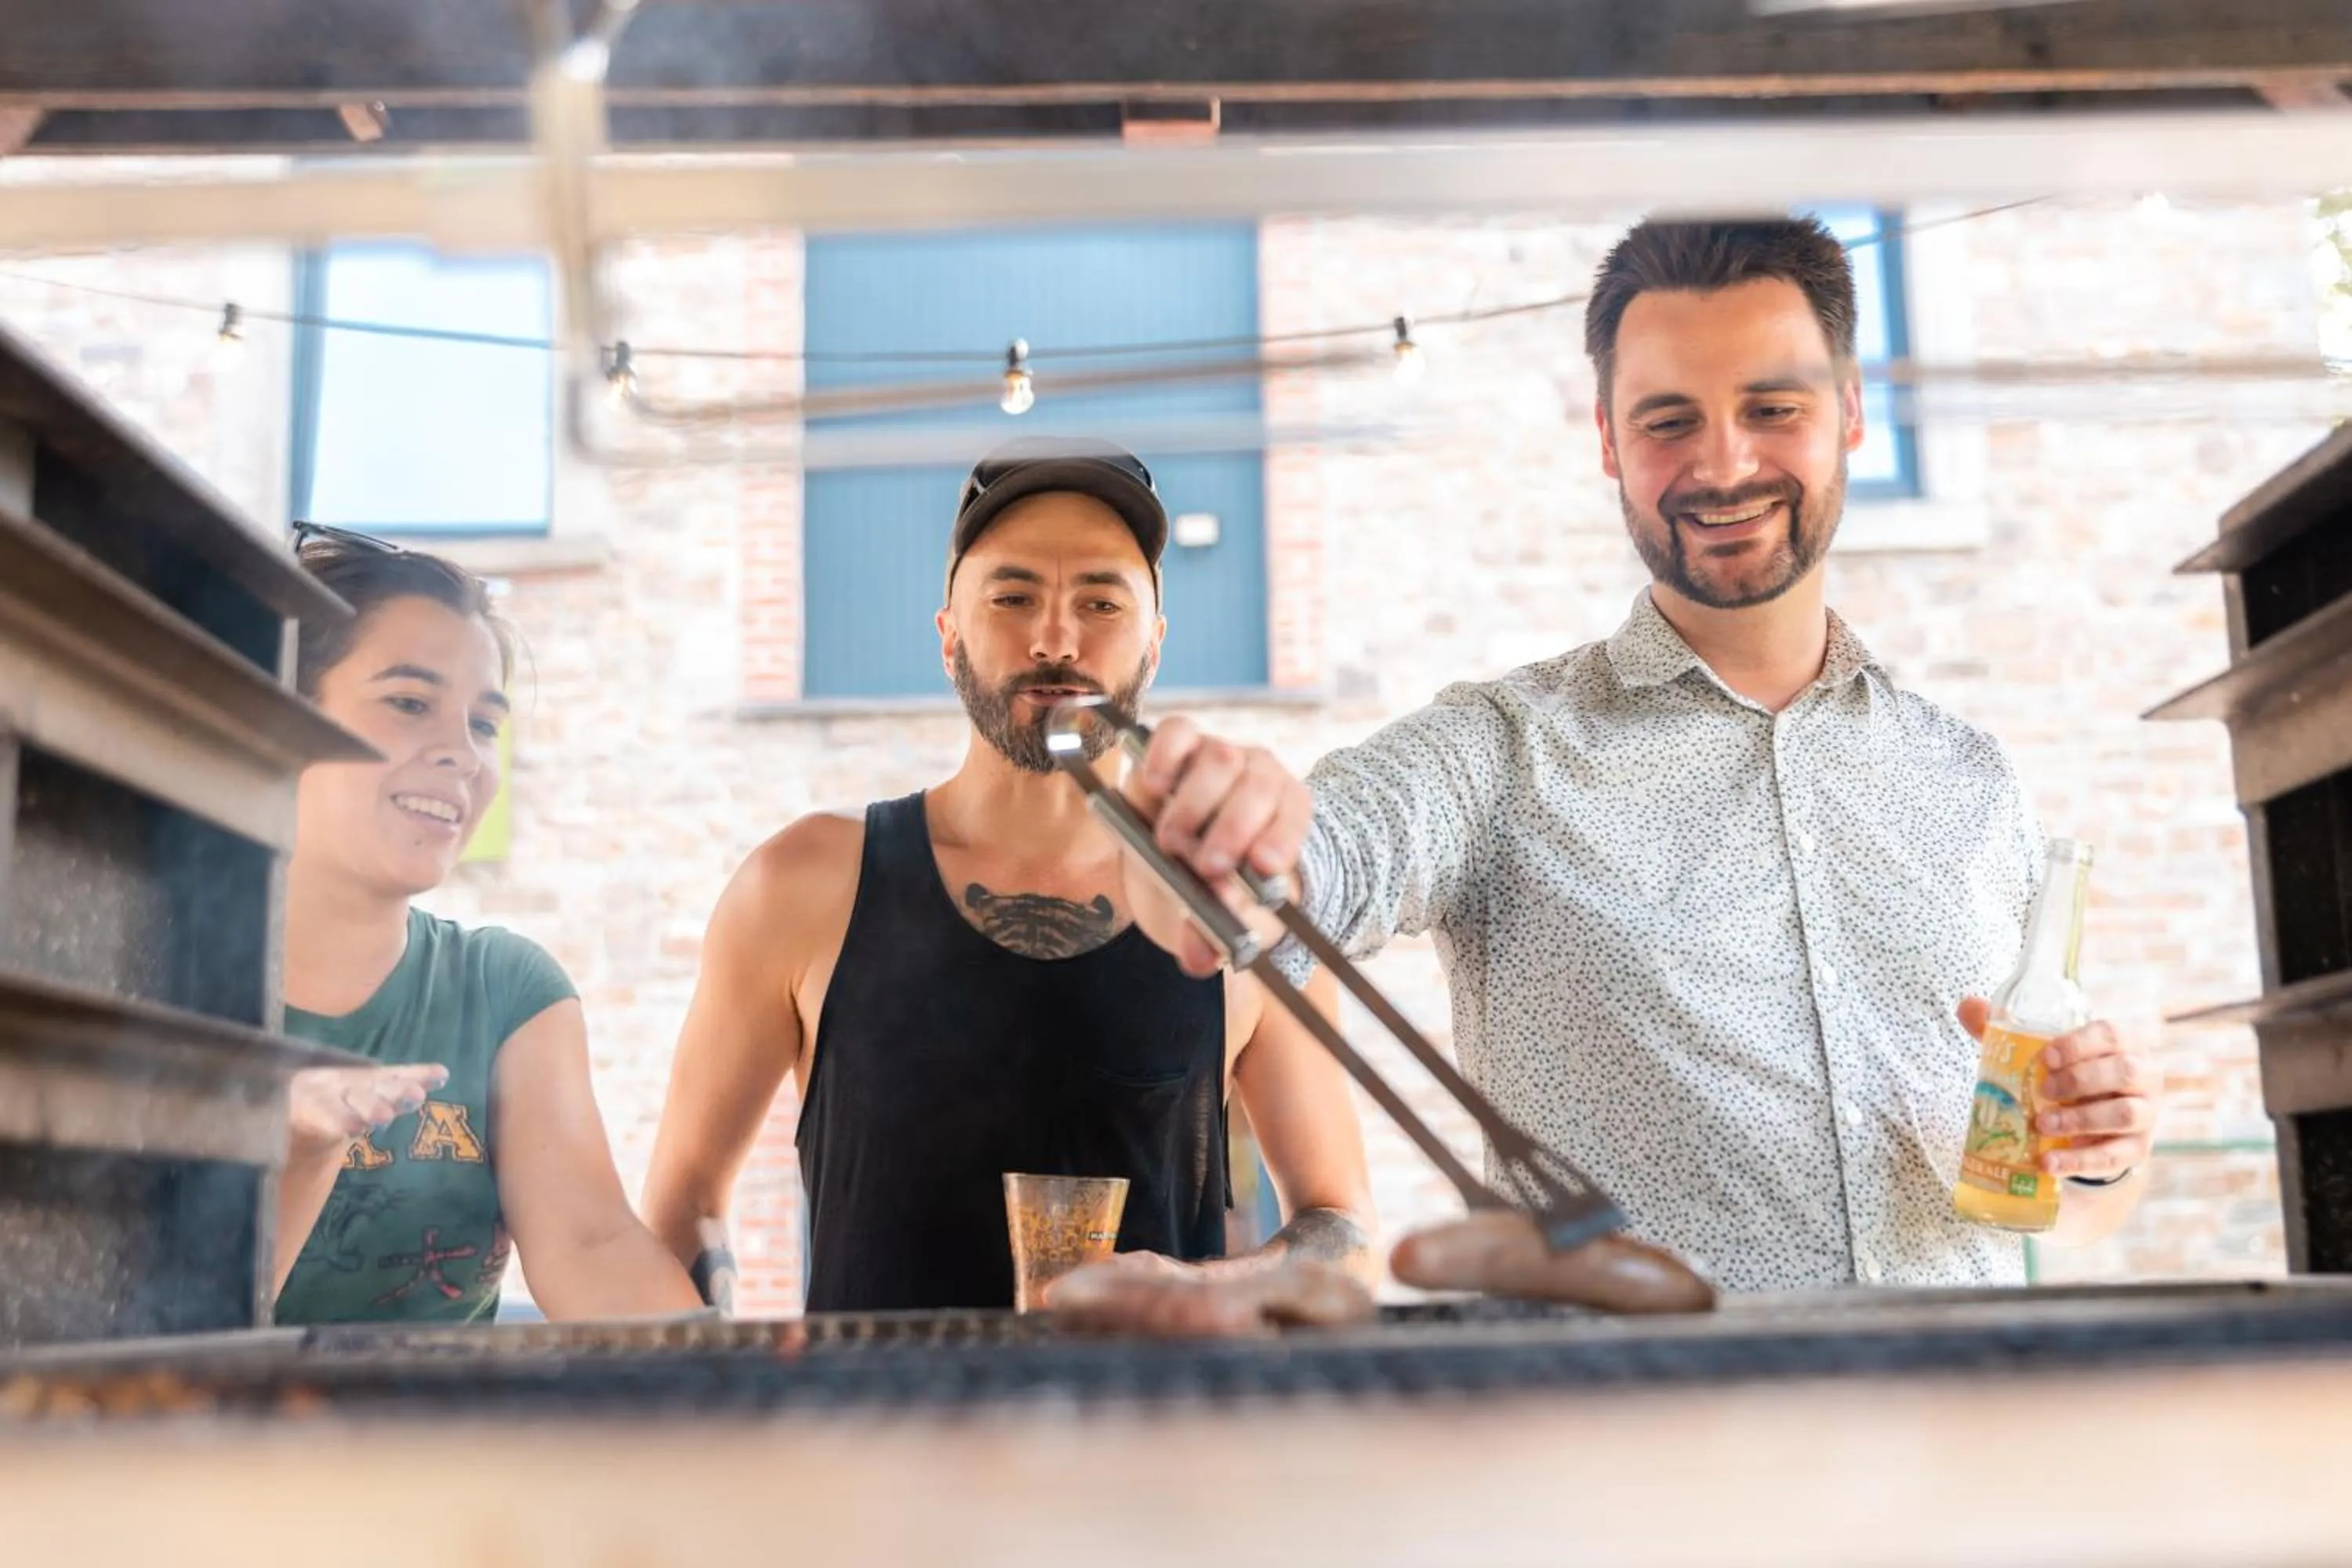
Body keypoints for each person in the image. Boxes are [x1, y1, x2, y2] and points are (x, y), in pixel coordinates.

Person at [1112, 217, 2161, 1295]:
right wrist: (1219, 834)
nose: (1723, 464)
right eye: (1669, 420)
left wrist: (2099, 1158)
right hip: (1638, 1448)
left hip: (1967, 1433)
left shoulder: (1971, 783)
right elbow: (1291, 875)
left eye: (1772, 408)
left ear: (1850, 414)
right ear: (1609, 442)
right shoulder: (1500, 755)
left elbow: (2062, 1192)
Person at [643, 438, 1376, 1315]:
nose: (1056, 638)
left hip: (1157, 1441)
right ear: (949, 635)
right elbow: (683, 1208)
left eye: (1101, 601)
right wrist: (718, 1398)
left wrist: (1197, 1286)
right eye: (1013, 595)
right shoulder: (799, 883)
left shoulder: (1237, 903)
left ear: (1154, 643)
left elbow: (1344, 1231)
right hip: (868, 1444)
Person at [273, 528, 702, 1324]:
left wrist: (738, 1385)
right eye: (409, 702)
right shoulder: (157, 977)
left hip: (445, 1448)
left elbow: (591, 1241)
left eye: (483, 724)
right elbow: (123, 1330)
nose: (464, 756)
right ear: (282, 715)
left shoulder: (507, 992)